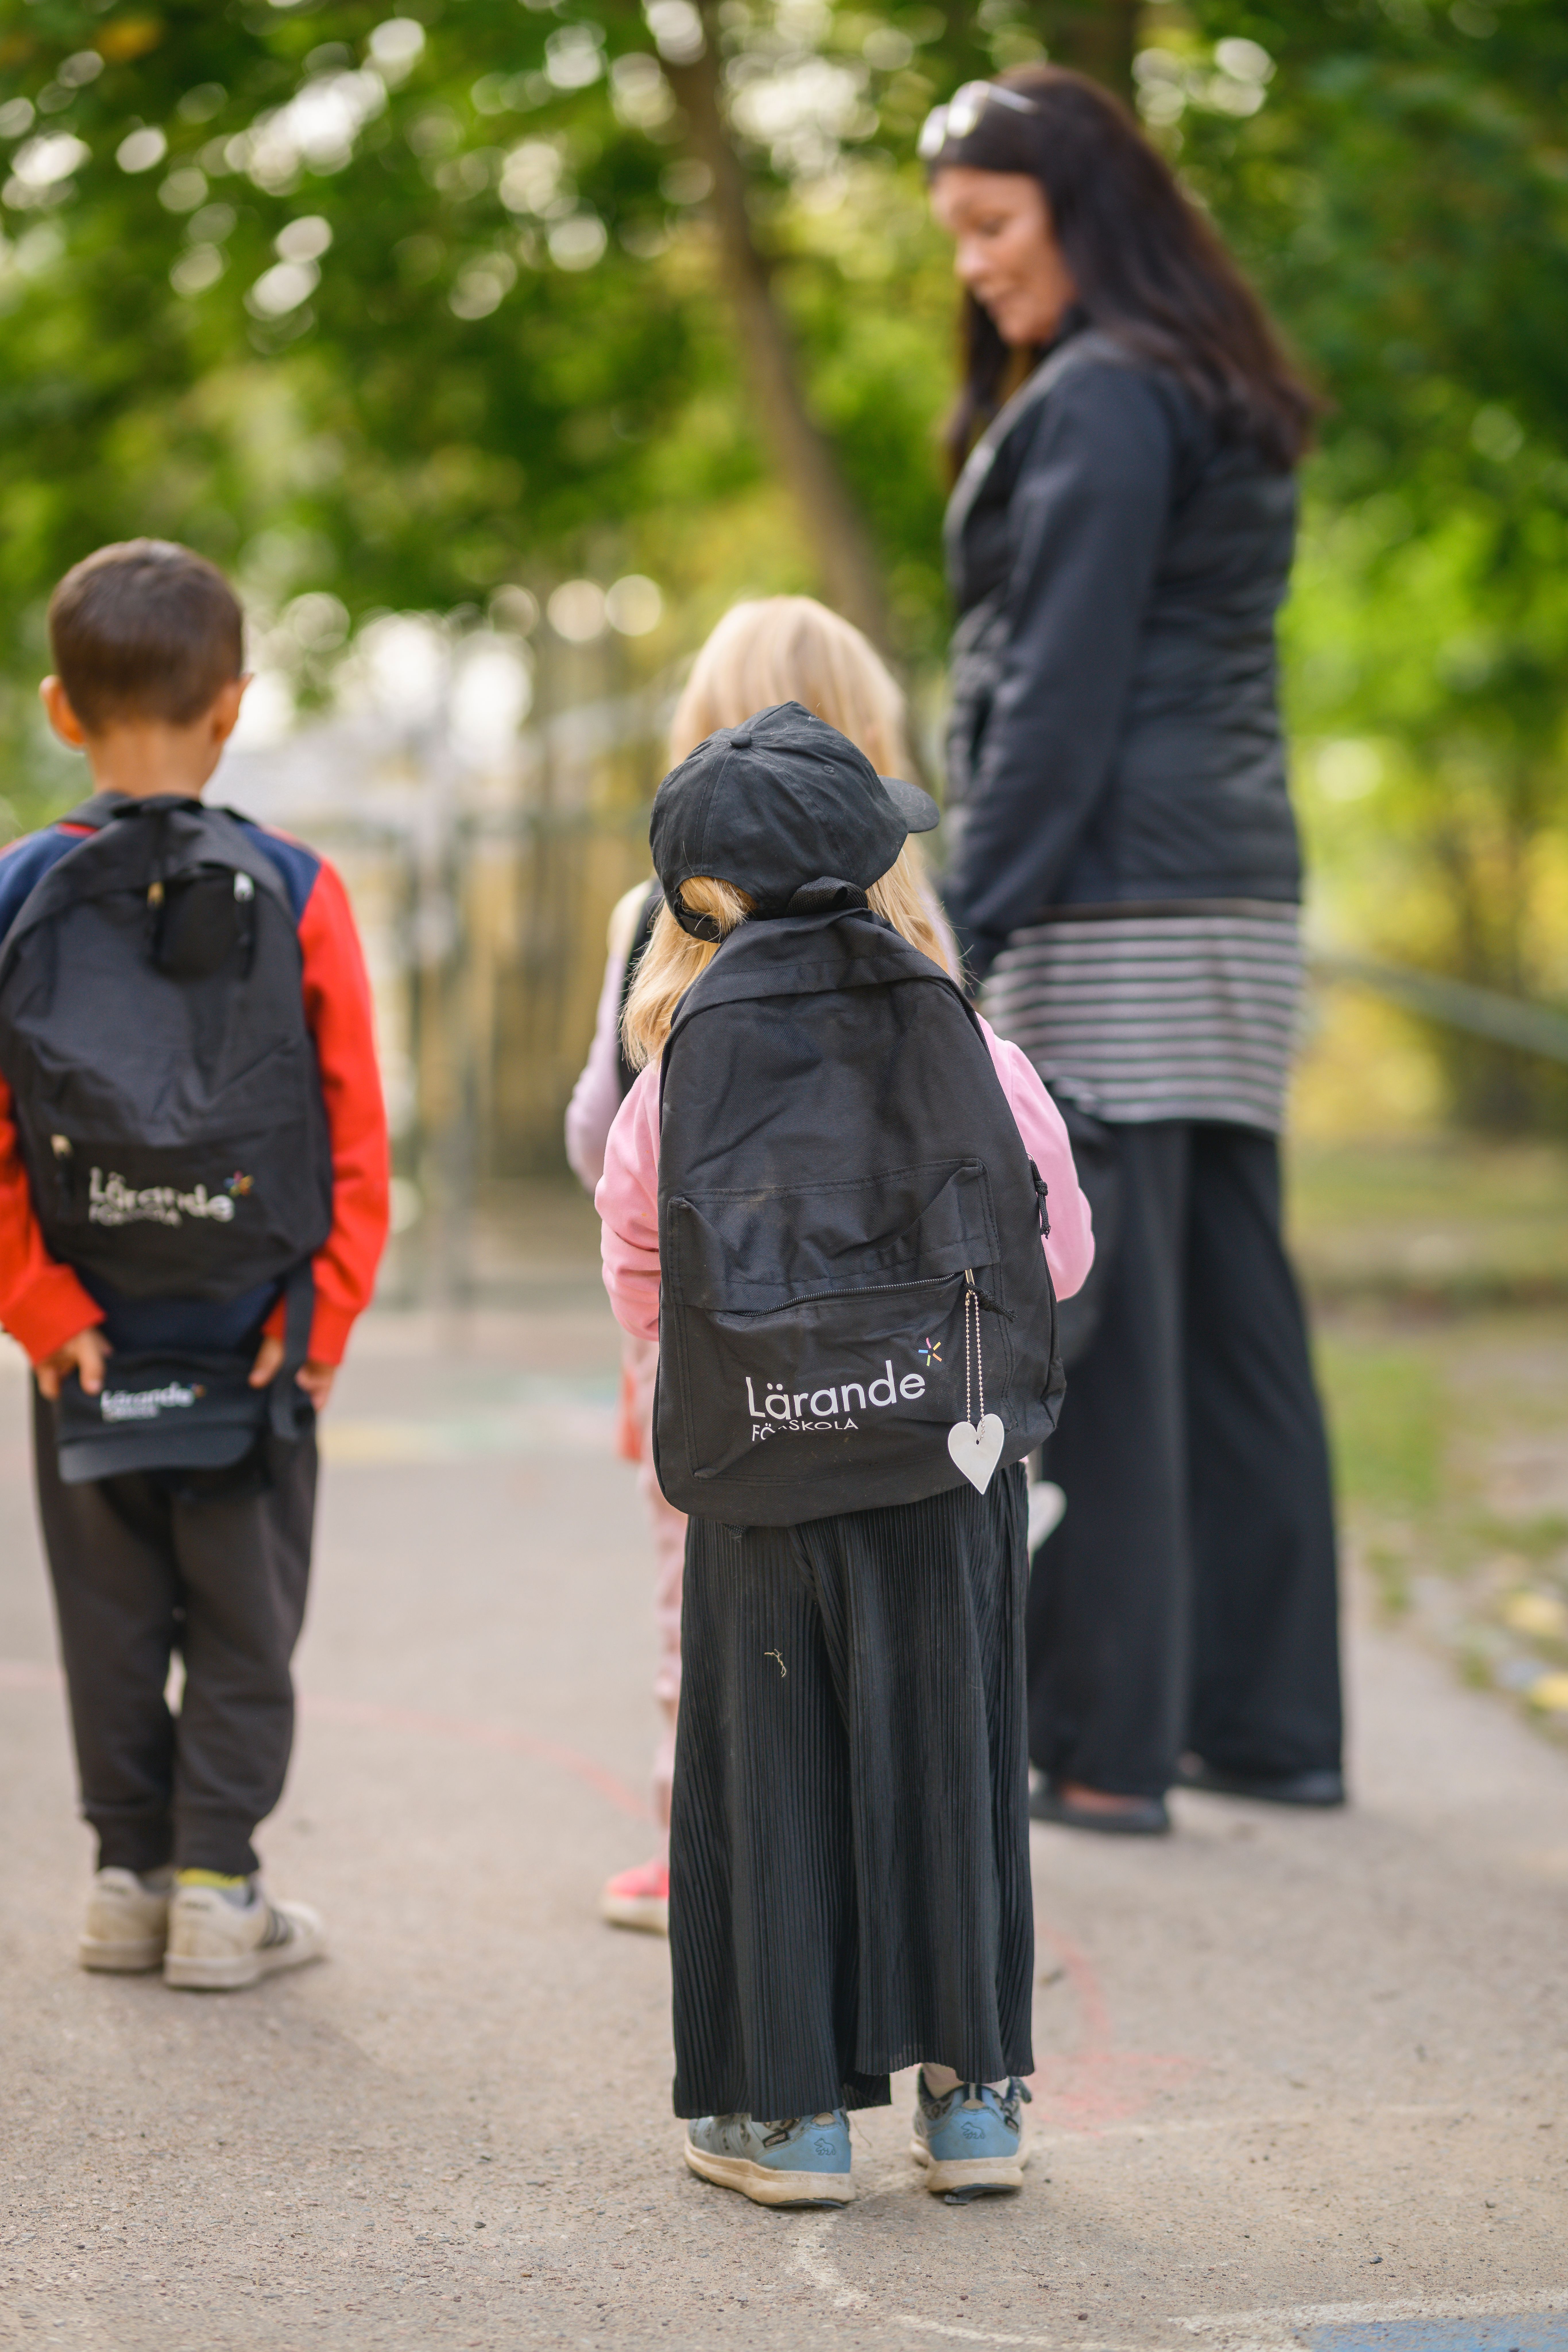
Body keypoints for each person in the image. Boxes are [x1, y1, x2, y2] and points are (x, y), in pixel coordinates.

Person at [595, 701, 1093, 2205]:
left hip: (763, 1470)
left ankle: (787, 2119)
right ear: (880, 871)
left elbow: (637, 1265)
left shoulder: (685, 1063)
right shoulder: (967, 1036)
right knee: (954, 1762)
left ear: (699, 900)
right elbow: (1055, 1248)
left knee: (767, 1779)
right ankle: (977, 2107)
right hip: (950, 1457)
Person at [923, 67, 1343, 1835]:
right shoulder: (1201, 385)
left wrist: (963, 920)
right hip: (1233, 897)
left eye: (996, 230)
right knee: (1232, 1311)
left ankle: (1106, 1748)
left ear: (1081, 213)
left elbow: (1059, 693)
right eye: (954, 239)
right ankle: (1268, 1723)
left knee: (1107, 1323)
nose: (974, 271)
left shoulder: (1097, 400)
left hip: (1111, 901)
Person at [0, 540, 389, 1985]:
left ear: (59, 707)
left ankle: (125, 1875)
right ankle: (222, 1887)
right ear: (232, 706)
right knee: (244, 1614)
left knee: (106, 1614)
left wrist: (39, 1309)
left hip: (85, 1340)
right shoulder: (300, 883)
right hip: (257, 1333)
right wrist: (326, 1312)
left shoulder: (18, 887)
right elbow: (355, 1122)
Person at [564, 596, 956, 1936]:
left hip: (708, 1339)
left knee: (709, 1599)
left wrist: (645, 1331)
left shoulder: (653, 911)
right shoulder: (912, 906)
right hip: (896, 1337)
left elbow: (596, 1130)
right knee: (894, 1590)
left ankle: (710, 1849)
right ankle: (895, 1862)